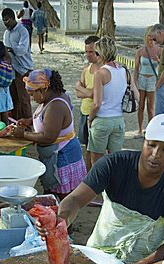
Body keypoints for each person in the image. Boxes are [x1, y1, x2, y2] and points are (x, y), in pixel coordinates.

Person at [37, 114, 164, 264]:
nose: (156, 155)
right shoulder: (114, 164)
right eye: (151, 145)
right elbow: (76, 199)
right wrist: (61, 220)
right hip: (99, 256)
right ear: (144, 139)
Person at [12, 69, 87, 199]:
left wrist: (23, 135)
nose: (31, 98)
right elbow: (46, 119)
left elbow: (48, 137)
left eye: (32, 94)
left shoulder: (55, 106)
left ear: (43, 90)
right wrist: (29, 121)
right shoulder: (51, 97)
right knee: (52, 198)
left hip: (63, 159)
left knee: (62, 200)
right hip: (58, 156)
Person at [87, 36, 128, 166]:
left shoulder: (101, 73)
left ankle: (98, 186)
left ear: (101, 54)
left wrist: (90, 118)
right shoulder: (124, 71)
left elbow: (97, 104)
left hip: (102, 120)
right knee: (115, 161)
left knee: (97, 163)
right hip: (119, 120)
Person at [2, 7, 33, 120]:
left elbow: (22, 50)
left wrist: (10, 49)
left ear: (13, 18)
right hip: (11, 70)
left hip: (23, 69)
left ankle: (29, 125)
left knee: (24, 99)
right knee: (14, 99)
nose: (6, 22)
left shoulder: (22, 31)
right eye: (4, 20)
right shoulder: (6, 33)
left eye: (7, 20)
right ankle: (17, 123)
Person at [75, 35, 100, 171]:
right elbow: (79, 93)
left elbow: (91, 93)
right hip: (84, 112)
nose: (88, 55)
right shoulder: (86, 69)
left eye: (91, 52)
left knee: (95, 150)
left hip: (96, 114)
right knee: (87, 148)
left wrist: (81, 88)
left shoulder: (103, 71)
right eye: (86, 51)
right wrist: (86, 91)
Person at [133, 26, 161, 138]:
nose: (150, 40)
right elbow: (136, 68)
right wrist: (134, 82)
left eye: (152, 37)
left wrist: (158, 60)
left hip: (152, 79)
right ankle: (139, 129)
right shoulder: (140, 51)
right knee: (140, 106)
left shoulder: (159, 50)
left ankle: (150, 130)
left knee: (150, 107)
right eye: (148, 37)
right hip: (141, 78)